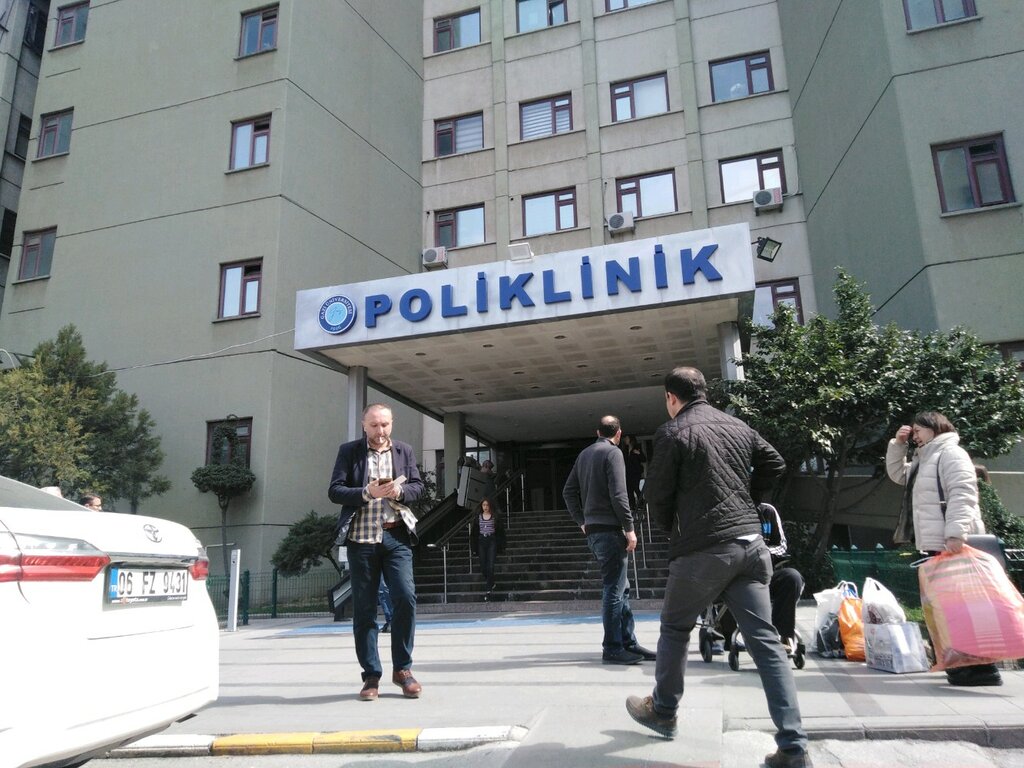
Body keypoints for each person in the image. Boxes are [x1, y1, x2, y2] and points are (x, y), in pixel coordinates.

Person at [625, 367, 810, 768]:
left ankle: (663, 710)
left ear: (671, 397)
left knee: (676, 628)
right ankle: (794, 748)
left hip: (703, 549)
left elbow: (656, 494)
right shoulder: (737, 425)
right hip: (751, 547)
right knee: (766, 642)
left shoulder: (673, 432)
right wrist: (749, 501)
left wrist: (674, 526)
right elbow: (774, 462)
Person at [886, 411, 1002, 687]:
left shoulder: (951, 453)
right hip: (935, 543)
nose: (914, 435)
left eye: (918, 430)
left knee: (963, 607)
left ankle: (979, 668)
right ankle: (962, 665)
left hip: (951, 543)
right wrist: (897, 445)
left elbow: (963, 494)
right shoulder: (925, 458)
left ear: (934, 428)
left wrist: (955, 535)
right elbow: (899, 475)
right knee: (948, 608)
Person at [328, 403, 426, 701]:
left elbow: (419, 488)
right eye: (374, 425)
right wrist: (366, 492)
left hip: (396, 537)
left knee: (405, 597)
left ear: (391, 424)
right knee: (365, 608)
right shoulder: (349, 452)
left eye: (384, 424)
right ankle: (371, 675)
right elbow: (335, 490)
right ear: (364, 425)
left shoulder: (404, 451)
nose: (380, 431)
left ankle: (403, 670)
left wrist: (400, 492)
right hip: (361, 540)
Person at [563, 415, 655, 665]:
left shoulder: (584, 454)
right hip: (610, 529)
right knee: (614, 589)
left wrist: (582, 521)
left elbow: (568, 491)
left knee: (621, 587)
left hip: (594, 531)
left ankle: (628, 642)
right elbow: (619, 494)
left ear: (597, 432)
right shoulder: (613, 453)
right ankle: (613, 648)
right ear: (619, 433)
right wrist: (630, 528)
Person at [469, 497, 506, 596]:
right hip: (481, 541)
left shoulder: (495, 517)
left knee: (490, 565)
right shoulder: (478, 517)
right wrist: (473, 547)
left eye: (487, 505)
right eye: (484, 505)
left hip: (491, 540)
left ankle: (489, 587)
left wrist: (502, 545)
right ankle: (492, 582)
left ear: (490, 506)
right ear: (481, 506)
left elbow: (500, 531)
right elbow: (474, 533)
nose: (485, 507)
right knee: (483, 565)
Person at [621, 435, 646, 511]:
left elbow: (644, 459)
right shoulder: (625, 450)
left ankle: (641, 504)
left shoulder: (636, 449)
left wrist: (639, 453)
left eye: (627, 438)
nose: (625, 440)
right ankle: (632, 505)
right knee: (629, 490)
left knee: (636, 488)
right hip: (627, 473)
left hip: (635, 473)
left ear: (631, 440)